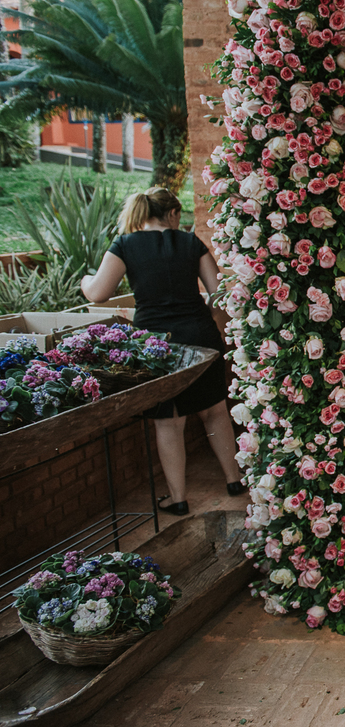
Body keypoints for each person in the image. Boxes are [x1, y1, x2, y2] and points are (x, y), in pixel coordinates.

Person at [81, 188, 244, 516]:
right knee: (214, 411)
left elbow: (98, 292)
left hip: (157, 345)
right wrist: (213, 325)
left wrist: (85, 279)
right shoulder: (190, 242)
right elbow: (220, 294)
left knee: (169, 422)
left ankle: (178, 499)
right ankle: (234, 481)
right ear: (172, 214)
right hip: (201, 335)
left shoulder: (124, 244)